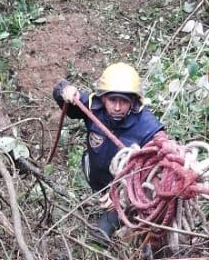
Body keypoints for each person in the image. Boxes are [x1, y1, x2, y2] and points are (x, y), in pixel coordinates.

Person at [53, 62, 166, 244]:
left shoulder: (147, 127)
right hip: (97, 179)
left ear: (134, 102)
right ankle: (103, 198)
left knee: (102, 233)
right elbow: (63, 93)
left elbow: (156, 171)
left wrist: (123, 194)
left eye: (124, 101)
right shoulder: (93, 107)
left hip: (126, 189)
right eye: (113, 100)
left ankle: (114, 225)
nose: (117, 107)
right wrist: (65, 90)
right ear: (103, 98)